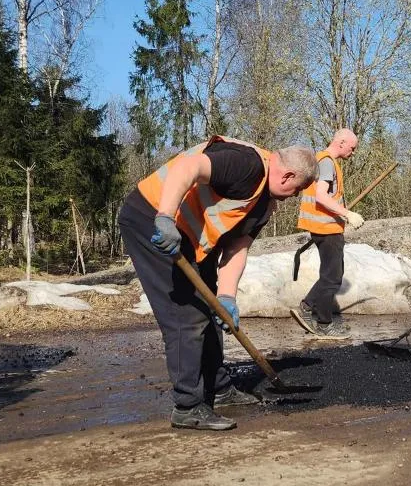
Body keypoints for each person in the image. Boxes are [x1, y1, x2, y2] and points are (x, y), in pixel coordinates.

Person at [119, 136, 317, 431]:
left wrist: (227, 297)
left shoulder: (265, 204)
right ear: (288, 175)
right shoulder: (246, 164)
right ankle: (188, 406)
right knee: (186, 315)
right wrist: (164, 218)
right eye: (297, 189)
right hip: (151, 218)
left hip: (193, 238)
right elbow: (188, 167)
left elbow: (237, 248)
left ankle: (218, 388)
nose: (294, 196)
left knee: (212, 307)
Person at [291, 128, 363, 338]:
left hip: (326, 227)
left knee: (332, 275)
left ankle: (315, 314)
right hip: (326, 228)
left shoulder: (324, 161)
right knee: (332, 277)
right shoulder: (326, 162)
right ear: (341, 142)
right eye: (352, 147)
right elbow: (321, 197)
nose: (353, 152)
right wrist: (347, 214)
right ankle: (318, 318)